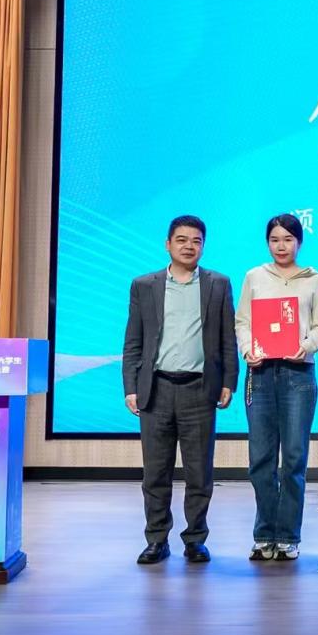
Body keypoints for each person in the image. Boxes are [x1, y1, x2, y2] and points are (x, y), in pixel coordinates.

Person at [122, 215, 238, 565]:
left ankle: (195, 539)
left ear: (203, 246)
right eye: (182, 240)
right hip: (156, 388)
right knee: (155, 473)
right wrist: (131, 386)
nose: (189, 246)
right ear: (168, 244)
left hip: (199, 389)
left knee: (199, 473)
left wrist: (229, 381)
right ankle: (156, 539)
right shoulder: (145, 285)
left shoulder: (218, 284)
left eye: (196, 241)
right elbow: (133, 341)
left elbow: (227, 339)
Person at [234, 213, 318, 562]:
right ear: (267, 243)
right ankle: (264, 534)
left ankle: (288, 535)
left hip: (298, 375)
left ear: (299, 242)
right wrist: (248, 349)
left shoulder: (315, 280)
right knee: (260, 459)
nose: (281, 246)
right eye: (275, 239)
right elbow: (242, 321)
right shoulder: (254, 277)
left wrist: (306, 346)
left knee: (293, 458)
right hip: (260, 374)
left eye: (288, 239)